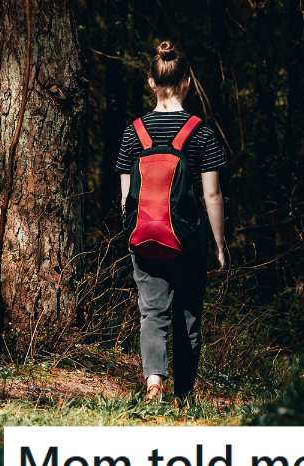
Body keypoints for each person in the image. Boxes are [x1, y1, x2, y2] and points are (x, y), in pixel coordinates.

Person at [116, 41, 227, 403]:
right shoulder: (202, 133)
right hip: (189, 240)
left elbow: (125, 197)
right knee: (188, 316)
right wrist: (219, 244)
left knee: (152, 313)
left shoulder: (134, 132)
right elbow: (212, 196)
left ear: (151, 81)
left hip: (146, 238)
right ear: (187, 84)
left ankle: (153, 382)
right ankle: (183, 396)